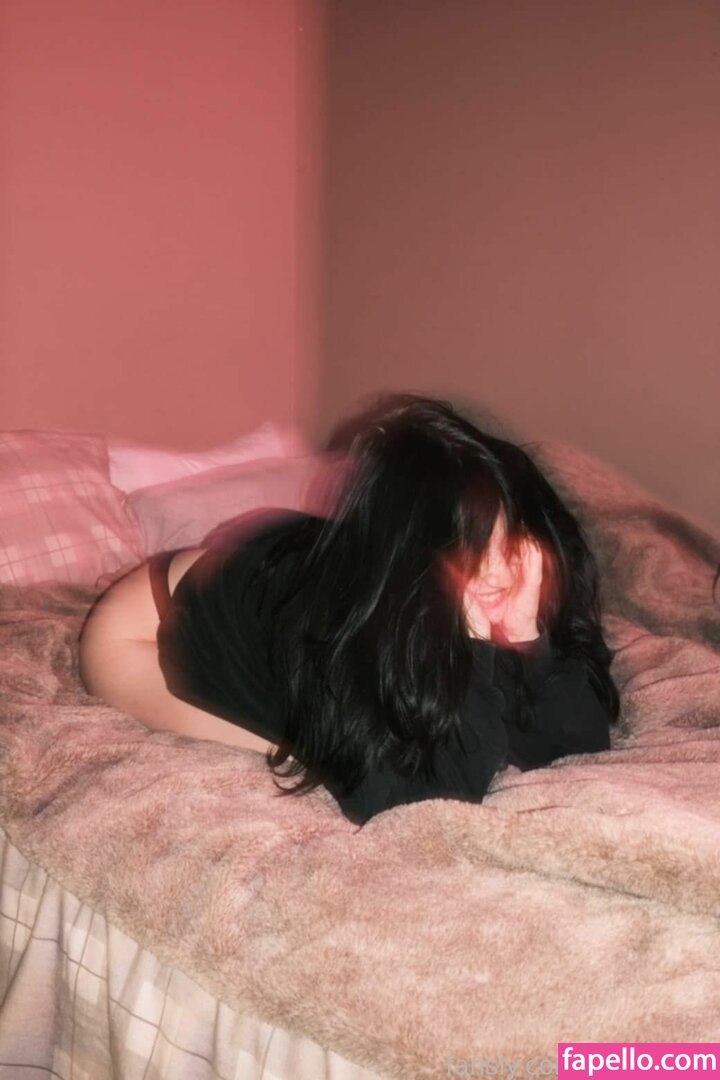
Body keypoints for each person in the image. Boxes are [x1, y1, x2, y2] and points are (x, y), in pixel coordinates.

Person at [79, 392, 620, 825]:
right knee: (306, 753)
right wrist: (478, 652)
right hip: (140, 628)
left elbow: (579, 745)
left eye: (508, 544)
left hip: (279, 573)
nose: (498, 574)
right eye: (474, 553)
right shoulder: (350, 631)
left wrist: (527, 637)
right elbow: (419, 804)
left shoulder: (482, 581)